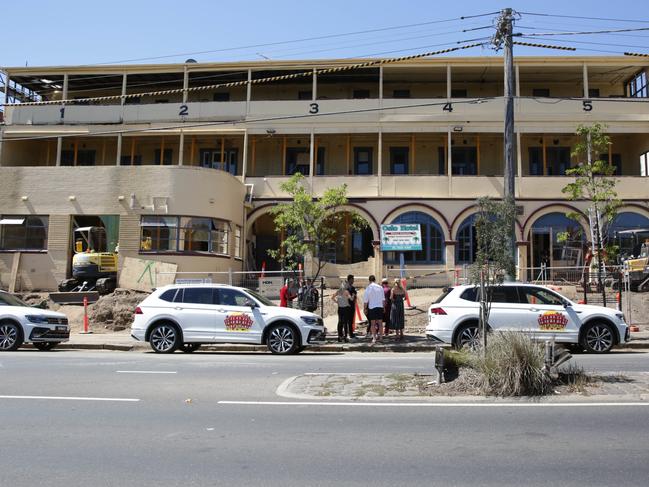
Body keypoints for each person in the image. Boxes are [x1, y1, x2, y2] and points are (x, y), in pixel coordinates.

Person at [363, 275, 385, 345]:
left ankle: (374, 338)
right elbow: (383, 299)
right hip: (379, 307)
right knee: (380, 323)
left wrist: (365, 308)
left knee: (372, 324)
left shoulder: (368, 288)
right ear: (375, 280)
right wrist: (384, 307)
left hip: (372, 307)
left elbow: (365, 301)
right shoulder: (380, 287)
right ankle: (381, 337)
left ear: (369, 281)